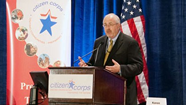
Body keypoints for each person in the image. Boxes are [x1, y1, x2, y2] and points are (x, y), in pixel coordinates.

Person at [78, 13, 143, 105]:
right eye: (105, 25)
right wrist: (86, 66)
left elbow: (138, 66)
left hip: (122, 93)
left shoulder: (130, 43)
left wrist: (120, 69)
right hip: (101, 94)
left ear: (118, 26)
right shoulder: (99, 42)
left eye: (110, 24)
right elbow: (93, 63)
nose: (107, 28)